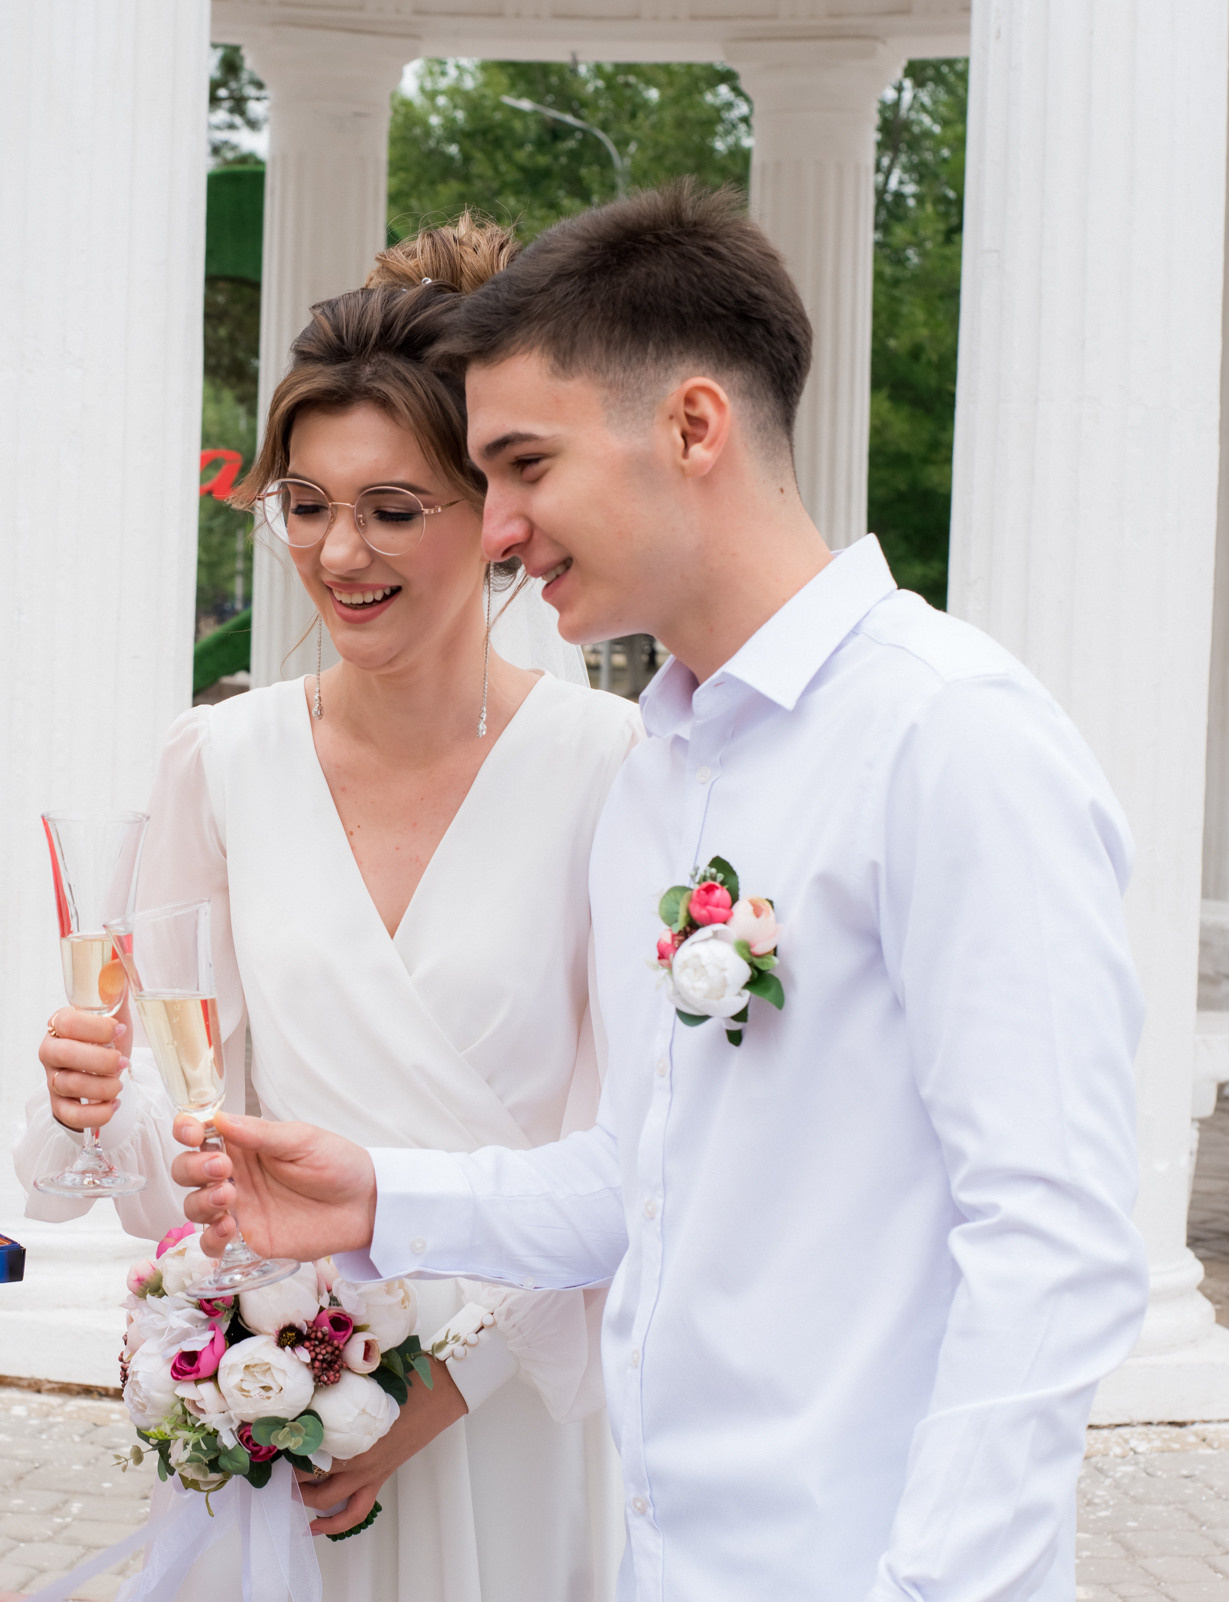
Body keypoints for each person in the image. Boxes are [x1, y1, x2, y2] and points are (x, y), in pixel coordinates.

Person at [172, 181, 1153, 1602]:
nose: (495, 527)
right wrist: (377, 1189)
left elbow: (1054, 1243)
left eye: (523, 464)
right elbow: (638, 1176)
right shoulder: (661, 775)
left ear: (693, 427)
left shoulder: (951, 738)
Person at [15, 218, 635, 1602]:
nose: (338, 551)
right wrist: (89, 1098)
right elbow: (182, 1137)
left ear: (495, 513)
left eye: (393, 508)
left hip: (504, 1427)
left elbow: (634, 1151)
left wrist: (438, 1394)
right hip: (288, 1427)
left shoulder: (614, 771)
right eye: (305, 502)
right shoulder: (218, 760)